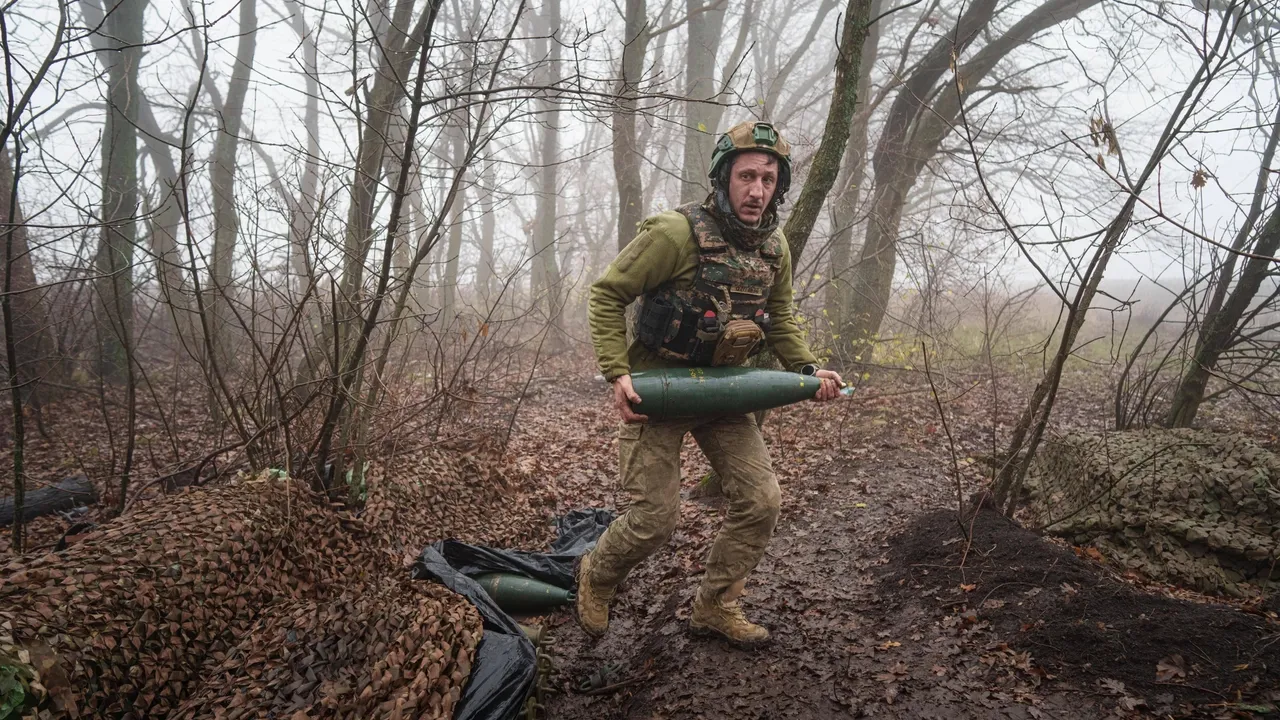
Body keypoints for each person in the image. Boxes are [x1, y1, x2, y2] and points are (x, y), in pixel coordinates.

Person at [579, 120, 843, 648]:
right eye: (747, 176)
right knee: (654, 519)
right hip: (658, 389)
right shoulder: (674, 234)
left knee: (762, 500)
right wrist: (618, 373)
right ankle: (596, 575)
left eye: (769, 179)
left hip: (725, 392)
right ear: (724, 178)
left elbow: (782, 314)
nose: (757, 190)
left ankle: (715, 606)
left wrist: (809, 369)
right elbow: (607, 294)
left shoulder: (774, 247)